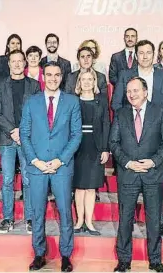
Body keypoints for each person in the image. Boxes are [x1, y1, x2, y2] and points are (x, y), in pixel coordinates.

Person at [20, 61, 82, 272]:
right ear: (43, 77)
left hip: (61, 167)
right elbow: (24, 134)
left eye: (57, 75)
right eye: (49, 74)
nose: (53, 78)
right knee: (38, 212)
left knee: (65, 212)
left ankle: (66, 255)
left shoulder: (72, 102)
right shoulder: (31, 102)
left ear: (61, 77)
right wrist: (35, 161)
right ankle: (39, 254)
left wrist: (59, 160)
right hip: (37, 167)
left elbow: (76, 135)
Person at [110, 77, 163, 273]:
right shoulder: (120, 114)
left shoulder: (160, 111)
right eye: (129, 91)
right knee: (125, 218)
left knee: (154, 220)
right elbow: (113, 143)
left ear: (145, 92)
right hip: (128, 173)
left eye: (136, 90)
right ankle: (124, 260)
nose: (132, 94)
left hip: (152, 173)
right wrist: (128, 162)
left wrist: (153, 161)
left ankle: (155, 260)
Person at [0, 49, 41, 234]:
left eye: (21, 61)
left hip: (27, 138)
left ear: (25, 63)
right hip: (7, 138)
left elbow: (37, 111)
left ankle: (29, 218)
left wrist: (23, 131)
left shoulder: (34, 85)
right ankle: (7, 218)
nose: (18, 64)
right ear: (9, 64)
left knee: (28, 180)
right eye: (14, 61)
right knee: (7, 181)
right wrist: (12, 130)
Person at [72, 69, 110, 235]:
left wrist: (105, 149)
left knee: (91, 188)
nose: (86, 82)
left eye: (90, 79)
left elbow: (106, 125)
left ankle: (89, 222)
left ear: (94, 82)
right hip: (77, 147)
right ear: (79, 82)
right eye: (83, 79)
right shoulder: (72, 101)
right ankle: (79, 221)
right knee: (79, 187)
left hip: (95, 147)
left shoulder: (101, 101)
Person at [111, 40, 163, 120]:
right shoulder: (124, 75)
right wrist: (127, 121)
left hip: (158, 127)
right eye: (141, 53)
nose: (145, 57)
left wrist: (160, 121)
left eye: (148, 53)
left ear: (153, 55)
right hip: (130, 126)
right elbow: (116, 103)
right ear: (136, 56)